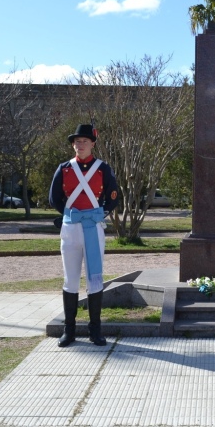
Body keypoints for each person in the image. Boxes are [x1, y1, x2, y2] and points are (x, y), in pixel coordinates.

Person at [49, 124, 119, 347]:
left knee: (95, 279)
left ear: (93, 144)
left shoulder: (102, 168)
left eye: (85, 142)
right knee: (70, 280)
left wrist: (100, 213)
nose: (80, 145)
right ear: (73, 144)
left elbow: (113, 197)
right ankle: (68, 331)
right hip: (70, 228)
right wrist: (71, 214)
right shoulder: (65, 168)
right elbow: (54, 198)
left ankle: (95, 331)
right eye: (77, 141)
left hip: (93, 228)